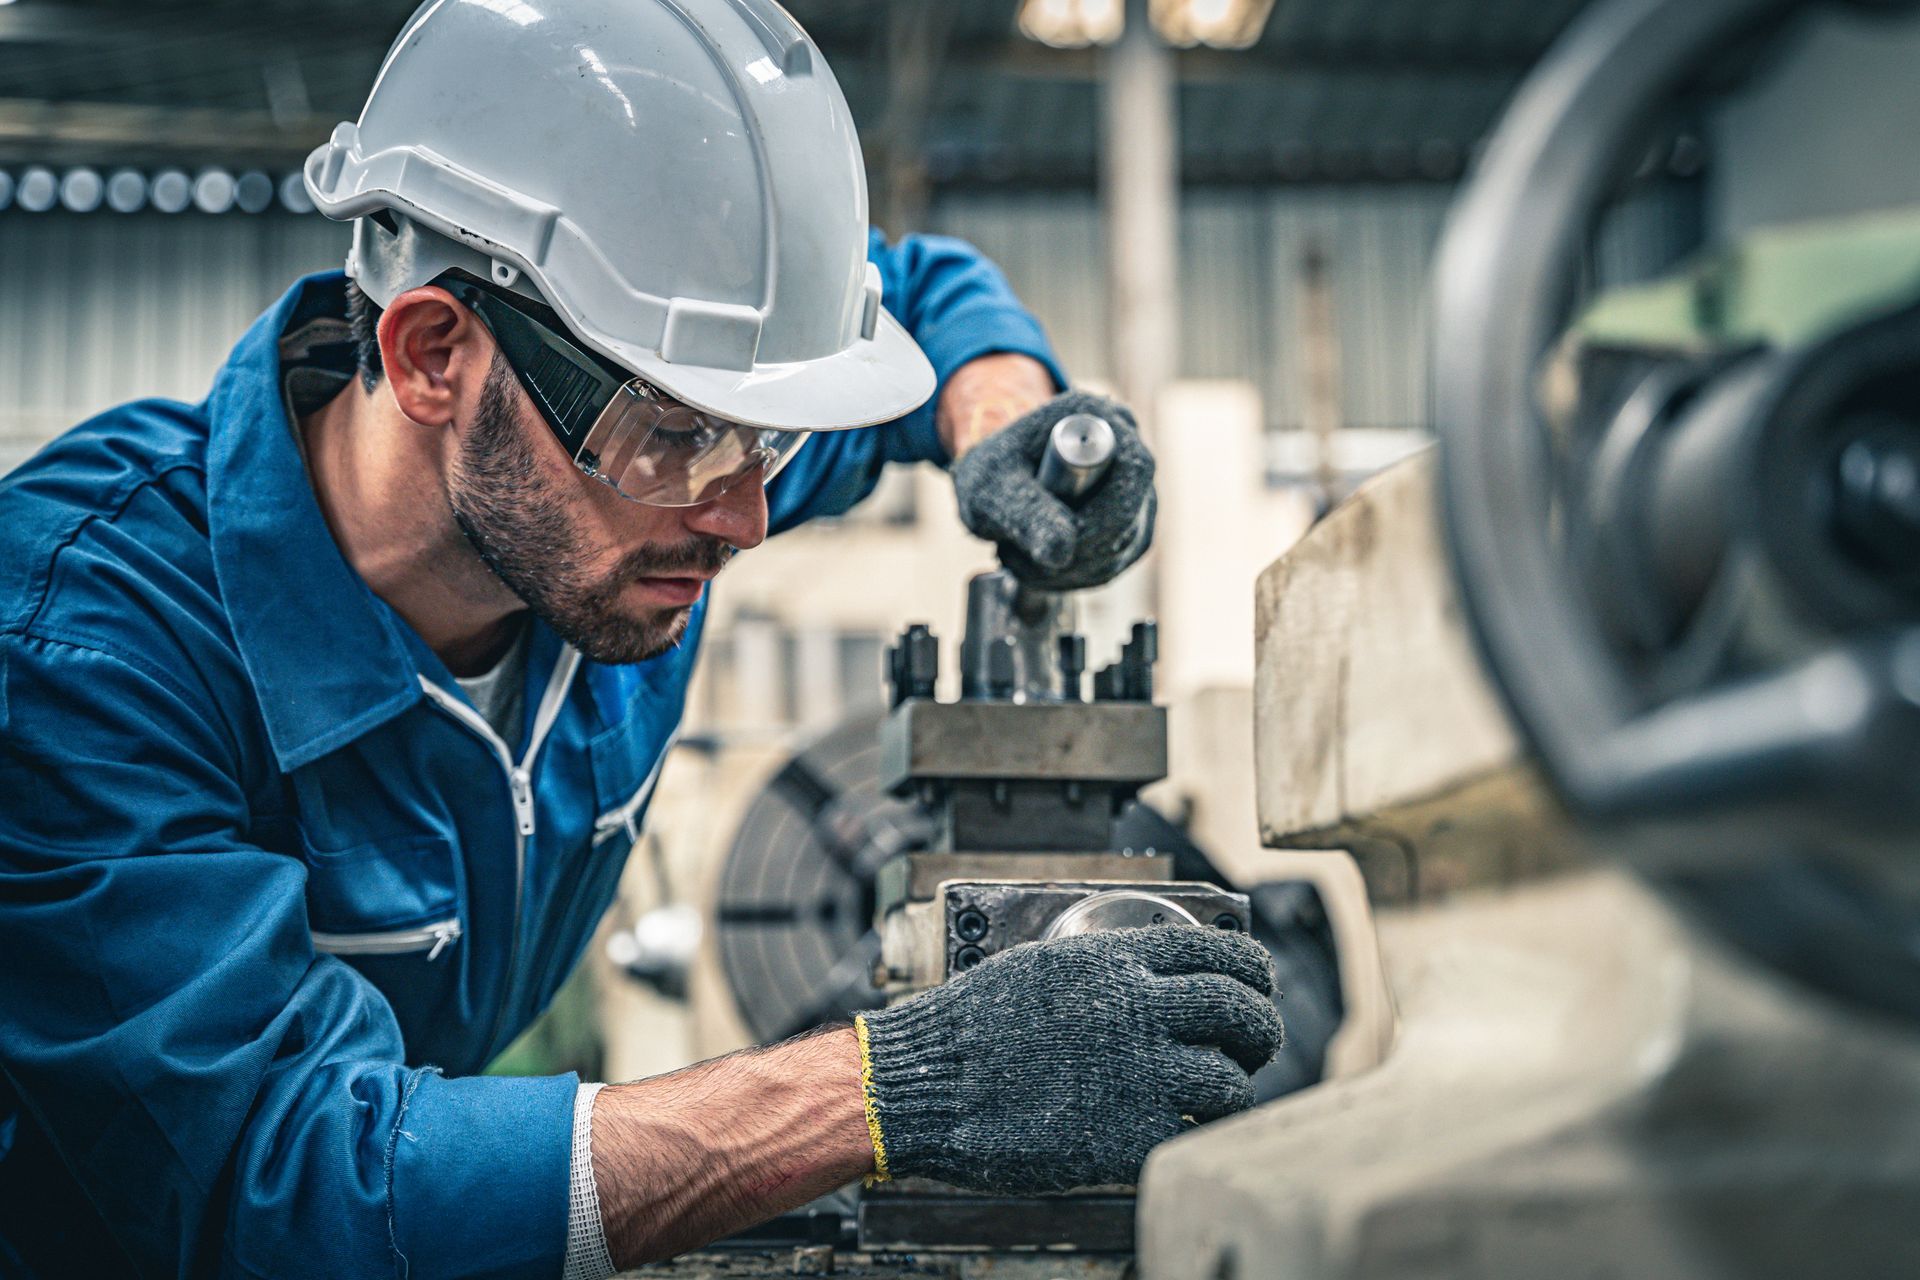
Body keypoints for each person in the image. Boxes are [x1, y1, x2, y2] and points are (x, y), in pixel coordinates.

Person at [0, 2, 1281, 1276]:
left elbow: (931, 295)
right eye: (678, 436)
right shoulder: (83, 644)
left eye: (766, 439)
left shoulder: (633, 461)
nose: (744, 516)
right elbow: (279, 1183)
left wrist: (1008, 411)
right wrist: (896, 1086)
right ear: (435, 353)